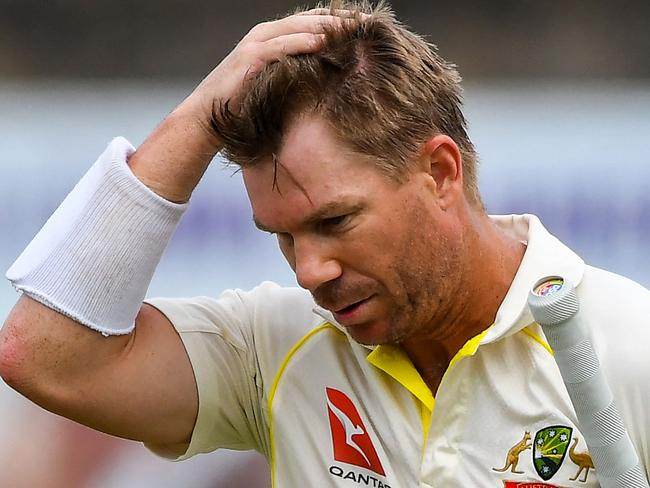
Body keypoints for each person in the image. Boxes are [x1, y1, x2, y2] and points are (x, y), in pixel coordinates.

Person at [1, 1, 649, 487]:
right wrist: (196, 118)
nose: (309, 271)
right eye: (282, 236)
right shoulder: (275, 348)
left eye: (336, 222)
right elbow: (44, 355)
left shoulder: (632, 349)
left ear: (441, 172)